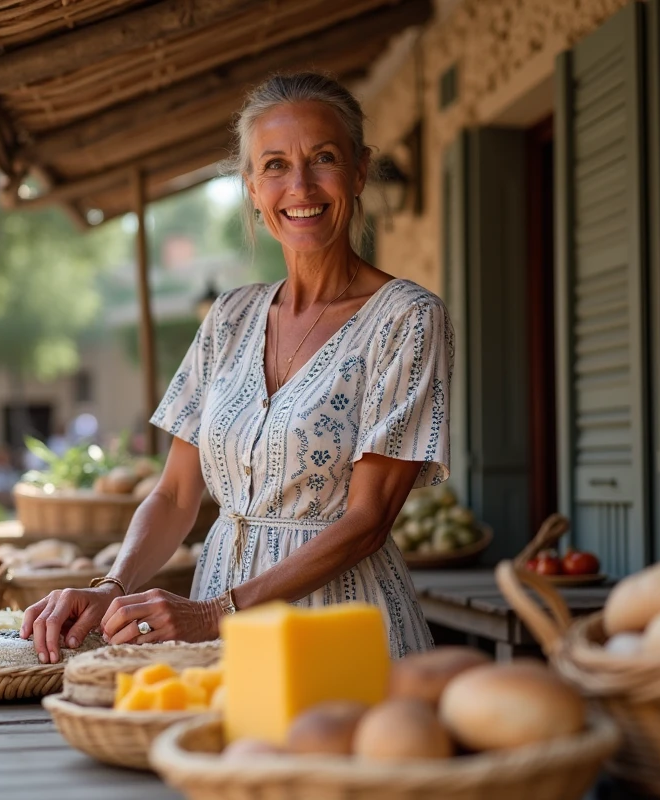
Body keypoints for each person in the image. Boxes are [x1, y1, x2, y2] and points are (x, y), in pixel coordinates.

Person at [23, 72, 453, 663]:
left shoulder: (406, 318)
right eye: (274, 165)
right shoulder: (228, 317)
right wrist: (111, 587)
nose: (299, 185)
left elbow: (368, 521)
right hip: (216, 639)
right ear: (251, 187)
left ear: (359, 170)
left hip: (341, 631)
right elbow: (175, 495)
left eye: (323, 158)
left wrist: (215, 614)